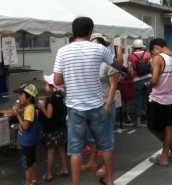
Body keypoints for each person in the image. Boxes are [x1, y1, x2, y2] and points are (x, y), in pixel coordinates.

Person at [53, 16, 124, 185]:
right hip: (96, 105)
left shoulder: (63, 51)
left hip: (74, 107)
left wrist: (71, 77)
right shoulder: (98, 49)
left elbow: (56, 81)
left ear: (73, 31)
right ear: (90, 31)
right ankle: (109, 179)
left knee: (75, 150)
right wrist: (120, 54)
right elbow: (119, 66)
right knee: (105, 145)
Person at [80, 33, 119, 178]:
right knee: (91, 135)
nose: (94, 47)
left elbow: (113, 85)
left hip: (105, 101)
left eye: (97, 44)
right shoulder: (88, 61)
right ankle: (92, 161)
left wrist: (108, 105)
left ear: (103, 46)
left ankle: (106, 165)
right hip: (91, 103)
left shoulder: (109, 62)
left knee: (106, 136)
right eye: (92, 44)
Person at [145, 38, 172, 166]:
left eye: (152, 52)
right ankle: (166, 155)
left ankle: (171, 149)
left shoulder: (159, 58)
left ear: (156, 48)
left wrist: (148, 84)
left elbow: (154, 80)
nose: (153, 55)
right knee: (168, 126)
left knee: (151, 127)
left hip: (158, 99)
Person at [37, 74, 69, 182]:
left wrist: (42, 107)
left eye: (46, 85)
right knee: (60, 148)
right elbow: (54, 100)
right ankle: (64, 168)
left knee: (50, 151)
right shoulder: (59, 96)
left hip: (51, 130)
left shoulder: (51, 102)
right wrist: (48, 98)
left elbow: (49, 115)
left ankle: (48, 174)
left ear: (52, 87)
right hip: (60, 128)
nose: (45, 87)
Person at [11, 83, 42, 185]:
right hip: (31, 140)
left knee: (26, 163)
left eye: (21, 94)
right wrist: (18, 125)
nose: (19, 97)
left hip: (27, 142)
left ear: (29, 97)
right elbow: (25, 125)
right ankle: (33, 179)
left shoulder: (29, 109)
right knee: (32, 160)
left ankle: (28, 183)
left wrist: (17, 115)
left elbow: (25, 126)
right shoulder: (29, 107)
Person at [127, 39, 152, 127]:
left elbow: (130, 70)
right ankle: (151, 119)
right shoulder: (148, 54)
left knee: (138, 100)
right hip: (148, 78)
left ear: (134, 47)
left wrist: (131, 75)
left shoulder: (130, 56)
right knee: (149, 98)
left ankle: (138, 122)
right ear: (142, 46)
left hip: (137, 80)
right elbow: (152, 67)